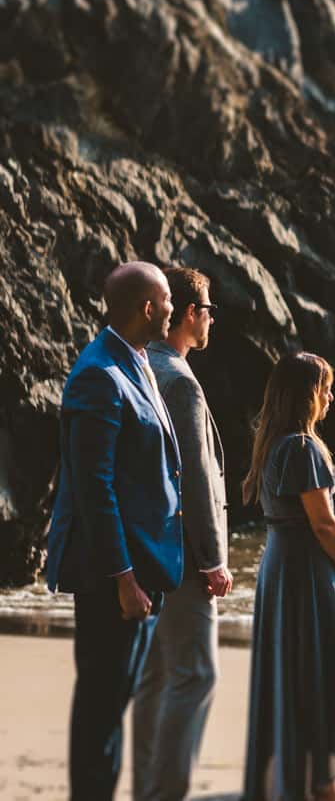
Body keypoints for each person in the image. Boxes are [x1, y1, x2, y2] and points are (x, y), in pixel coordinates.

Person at [46, 261, 186, 801]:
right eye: (168, 299)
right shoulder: (97, 375)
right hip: (113, 576)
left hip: (143, 568)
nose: (174, 307)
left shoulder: (139, 360)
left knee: (115, 697)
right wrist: (123, 576)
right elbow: (93, 489)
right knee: (103, 705)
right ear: (147, 308)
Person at [243, 352, 335, 801]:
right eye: (325, 388)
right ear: (306, 395)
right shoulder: (303, 446)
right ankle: (322, 782)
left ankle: (298, 776)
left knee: (288, 669)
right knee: (316, 667)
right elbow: (324, 522)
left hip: (278, 564)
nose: (331, 397)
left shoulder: (272, 442)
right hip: (305, 568)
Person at [132, 268, 233, 801]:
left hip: (148, 549)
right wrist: (214, 557)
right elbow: (193, 476)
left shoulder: (140, 368)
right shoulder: (182, 384)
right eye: (209, 310)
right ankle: (164, 792)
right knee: (195, 676)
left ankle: (149, 786)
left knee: (155, 677)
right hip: (184, 558)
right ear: (191, 314)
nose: (211, 320)